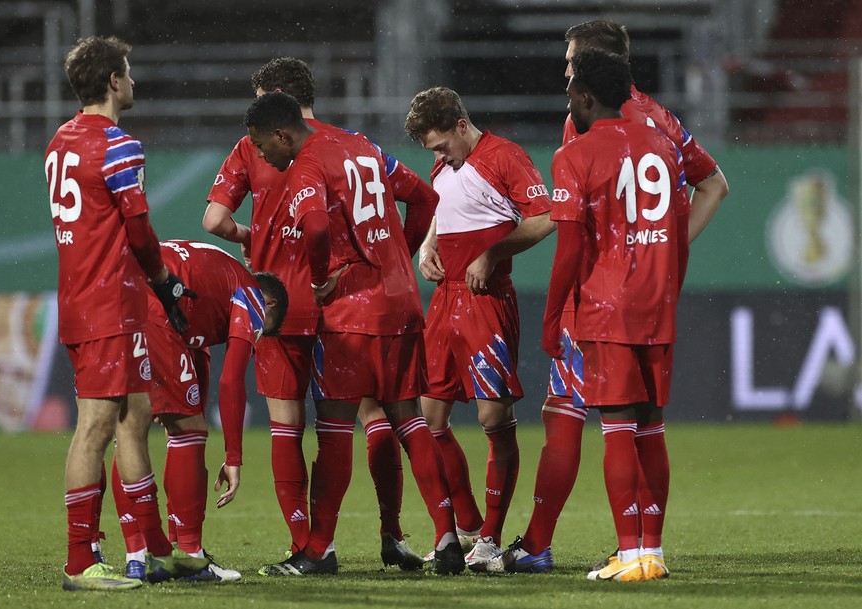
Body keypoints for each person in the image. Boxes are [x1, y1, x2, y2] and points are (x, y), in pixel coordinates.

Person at [491, 18, 729, 575]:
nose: (564, 70)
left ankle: (548, 544)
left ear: (589, 76)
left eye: (571, 61)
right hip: (654, 291)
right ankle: (645, 546)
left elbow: (572, 227)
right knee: (648, 425)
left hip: (599, 297)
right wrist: (662, 248)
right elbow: (714, 183)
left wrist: (547, 302)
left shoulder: (584, 129)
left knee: (571, 416)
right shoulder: (661, 123)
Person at [204, 57, 436, 572]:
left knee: (288, 426)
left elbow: (214, 218)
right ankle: (393, 533)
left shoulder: (252, 146)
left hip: (282, 304)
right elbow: (416, 198)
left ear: (278, 100)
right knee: (376, 416)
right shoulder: (349, 142)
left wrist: (249, 237)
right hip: (347, 300)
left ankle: (308, 545)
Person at [244, 91, 464, 576]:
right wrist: (397, 260)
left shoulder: (306, 163)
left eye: (262, 146)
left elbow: (317, 228)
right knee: (409, 419)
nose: (262, 156)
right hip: (401, 303)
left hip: (351, 312)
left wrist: (321, 277)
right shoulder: (363, 146)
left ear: (282, 134)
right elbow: (425, 198)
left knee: (335, 427)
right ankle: (448, 539)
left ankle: (318, 548)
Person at [46, 35, 207, 591]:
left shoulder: (59, 143)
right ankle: (79, 562)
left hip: (85, 300)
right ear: (113, 81)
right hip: (108, 304)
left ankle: (151, 550)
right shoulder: (118, 145)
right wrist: (165, 283)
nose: (134, 81)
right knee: (94, 427)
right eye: (129, 73)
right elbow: (139, 233)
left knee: (134, 419)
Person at [403, 87, 553, 570]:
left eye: (442, 145)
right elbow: (443, 211)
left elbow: (546, 217)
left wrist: (492, 254)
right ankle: (464, 522)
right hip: (445, 300)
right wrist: (427, 245)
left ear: (461, 126)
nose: (439, 155)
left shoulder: (505, 156)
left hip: (488, 302)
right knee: (428, 419)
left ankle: (489, 536)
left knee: (493, 420)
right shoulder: (443, 165)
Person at [108, 240, 288, 583]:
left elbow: (199, 351)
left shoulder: (216, 277)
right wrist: (233, 457)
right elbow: (231, 381)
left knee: (130, 429)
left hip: (115, 293)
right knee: (188, 432)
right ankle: (190, 559)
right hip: (153, 306)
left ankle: (139, 554)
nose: (257, 336)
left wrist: (189, 407)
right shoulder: (250, 295)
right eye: (264, 329)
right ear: (270, 304)